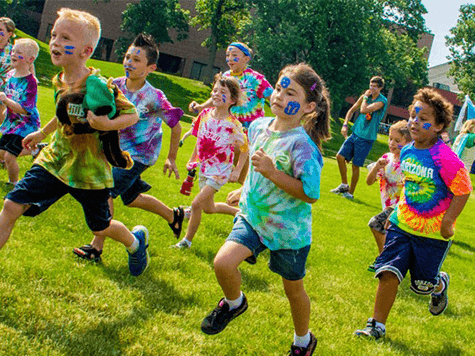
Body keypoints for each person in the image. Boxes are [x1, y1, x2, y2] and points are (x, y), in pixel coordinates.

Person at [0, 8, 149, 277]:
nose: (56, 42)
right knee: (11, 205)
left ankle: (135, 242)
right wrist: (41, 135)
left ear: (86, 51)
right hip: (55, 161)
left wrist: (106, 124)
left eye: (66, 38)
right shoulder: (59, 80)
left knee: (100, 228)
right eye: (54, 34)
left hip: (89, 171)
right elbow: (63, 115)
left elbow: (132, 114)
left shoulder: (98, 85)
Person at [200, 63, 331, 356]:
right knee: (223, 263)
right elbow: (256, 165)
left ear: (309, 106)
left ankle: (303, 340)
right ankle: (234, 304)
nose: (280, 96)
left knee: (293, 290)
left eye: (290, 93)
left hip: (288, 232)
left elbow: (310, 194)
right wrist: (244, 188)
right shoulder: (258, 126)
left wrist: (273, 174)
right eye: (279, 88)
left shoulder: (303, 146)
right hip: (253, 218)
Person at [355, 88, 472, 340]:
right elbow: (410, 185)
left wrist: (449, 221)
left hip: (432, 233)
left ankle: (438, 283)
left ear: (439, 125)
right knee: (388, 272)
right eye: (413, 116)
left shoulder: (446, 158)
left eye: (423, 118)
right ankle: (376, 326)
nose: (415, 122)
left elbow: (463, 190)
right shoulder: (407, 151)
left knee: (422, 284)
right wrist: (394, 212)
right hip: (401, 224)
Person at [72, 33, 184, 262]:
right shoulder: (115, 85)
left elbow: (176, 127)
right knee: (132, 197)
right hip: (115, 150)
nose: (129, 63)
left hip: (140, 154)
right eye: (127, 57)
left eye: (136, 60)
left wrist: (171, 158)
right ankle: (174, 215)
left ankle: (96, 247)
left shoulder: (155, 97)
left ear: (150, 67)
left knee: (105, 191)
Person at [173, 73, 248, 249]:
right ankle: (241, 214)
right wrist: (193, 160)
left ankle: (186, 241)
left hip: (220, 172)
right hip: (205, 169)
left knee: (196, 204)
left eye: (222, 91)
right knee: (209, 208)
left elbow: (245, 148)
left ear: (232, 100)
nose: (215, 94)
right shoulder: (205, 114)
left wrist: (237, 170)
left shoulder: (233, 124)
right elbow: (201, 140)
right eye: (214, 90)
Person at [188, 42, 273, 184]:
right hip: (230, 126)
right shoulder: (227, 76)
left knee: (245, 161)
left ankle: (246, 187)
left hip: (251, 129)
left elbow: (273, 97)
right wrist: (201, 107)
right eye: (227, 55)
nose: (229, 59)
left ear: (246, 59)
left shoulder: (256, 78)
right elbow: (216, 97)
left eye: (234, 55)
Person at [331, 76, 388, 200]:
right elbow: (351, 111)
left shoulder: (381, 101)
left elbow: (363, 110)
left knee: (355, 165)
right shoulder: (364, 97)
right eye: (370, 85)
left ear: (380, 88)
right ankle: (344, 184)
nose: (371, 88)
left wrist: (366, 98)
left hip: (367, 138)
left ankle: (350, 193)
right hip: (355, 134)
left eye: (374, 87)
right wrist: (345, 124)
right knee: (340, 157)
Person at [365, 120, 411, 272]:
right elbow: (369, 181)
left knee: (375, 223)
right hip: (388, 204)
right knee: (391, 237)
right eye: (391, 138)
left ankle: (383, 259)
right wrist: (377, 166)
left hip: (401, 206)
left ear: (407, 142)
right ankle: (389, 263)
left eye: (397, 140)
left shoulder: (408, 163)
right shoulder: (386, 159)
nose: (392, 143)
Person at [0, 38, 40, 187]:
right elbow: (11, 95)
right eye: (13, 51)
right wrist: (7, 112)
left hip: (25, 126)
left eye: (19, 52)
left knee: (10, 157)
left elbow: (25, 109)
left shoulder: (31, 83)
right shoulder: (11, 75)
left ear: (30, 59)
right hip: (11, 123)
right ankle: (36, 149)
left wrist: (5, 101)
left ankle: (13, 184)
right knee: (1, 153)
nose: (13, 54)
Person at [0, 17, 15, 124]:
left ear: (9, 33)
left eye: (1, 30)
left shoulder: (14, 51)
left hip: (4, 90)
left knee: (2, 120)